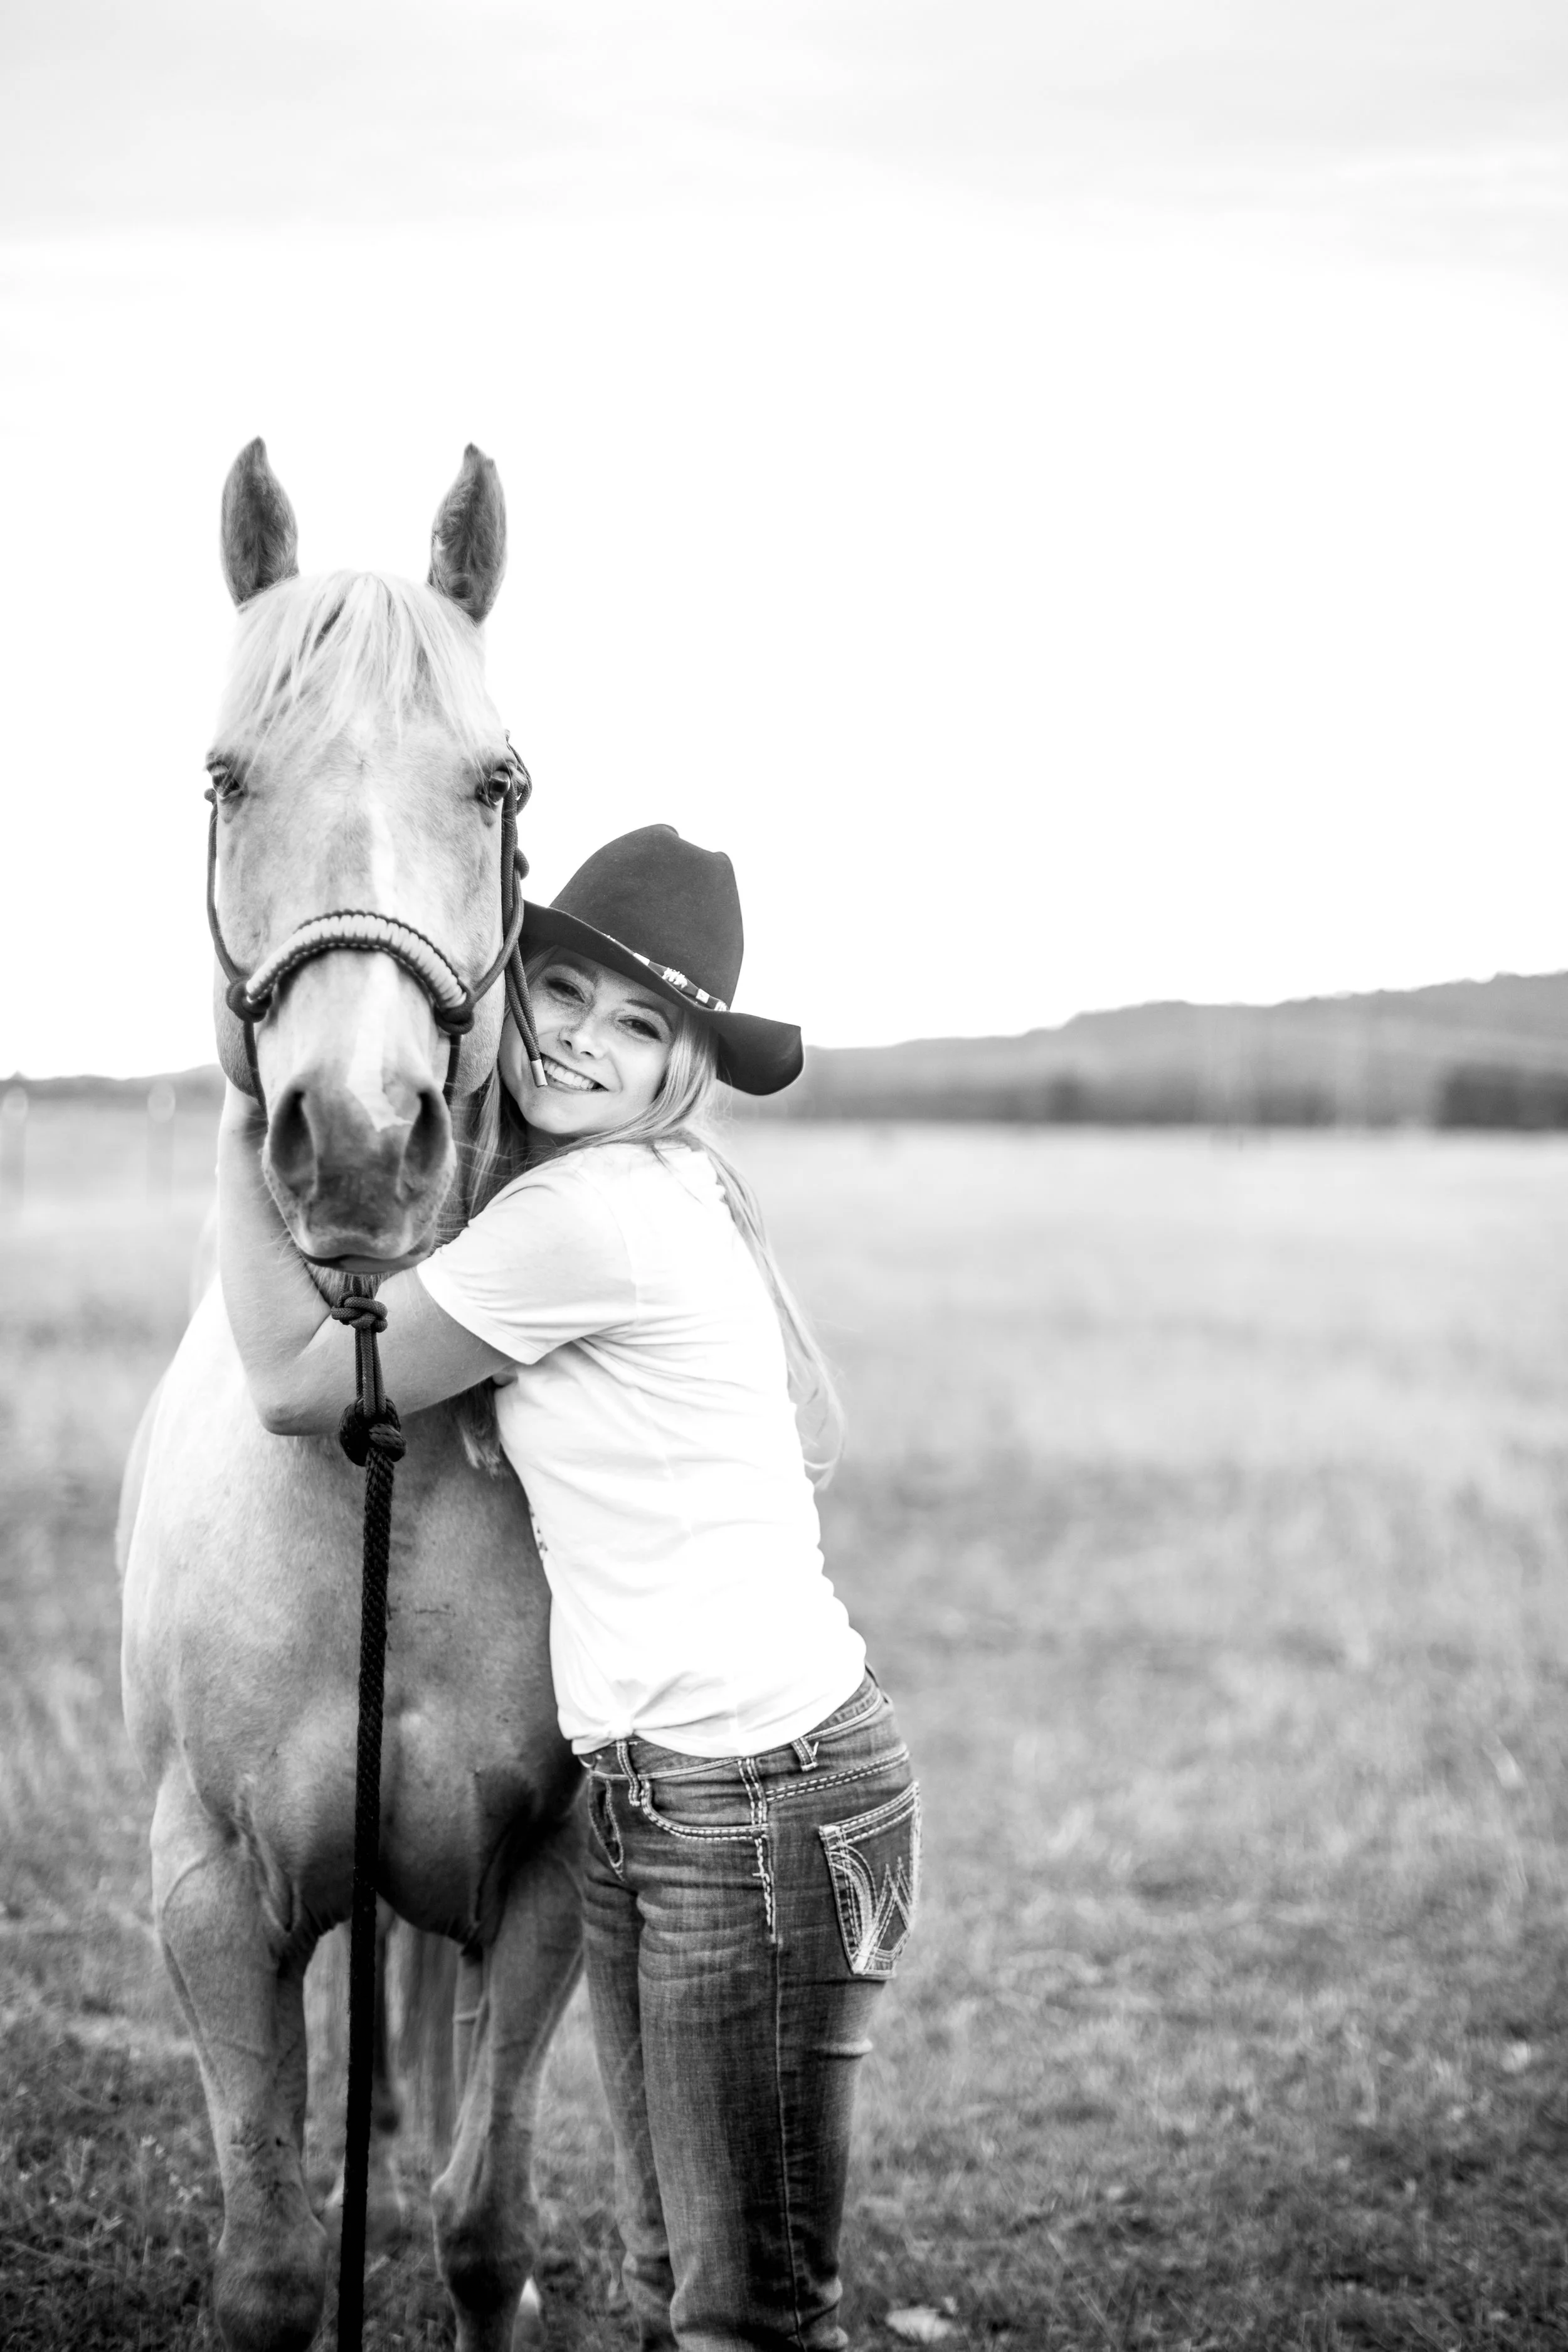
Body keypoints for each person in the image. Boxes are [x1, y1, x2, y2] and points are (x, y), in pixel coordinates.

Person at [218, 823, 920, 2352]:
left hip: (753, 1806)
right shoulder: (639, 1190)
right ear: (513, 980)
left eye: (642, 1027)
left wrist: (242, 1113)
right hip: (680, 1799)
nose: (585, 1044)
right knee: (691, 2277)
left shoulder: (584, 1217)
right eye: (566, 992)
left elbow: (288, 1382)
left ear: (683, 1067)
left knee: (745, 2305)